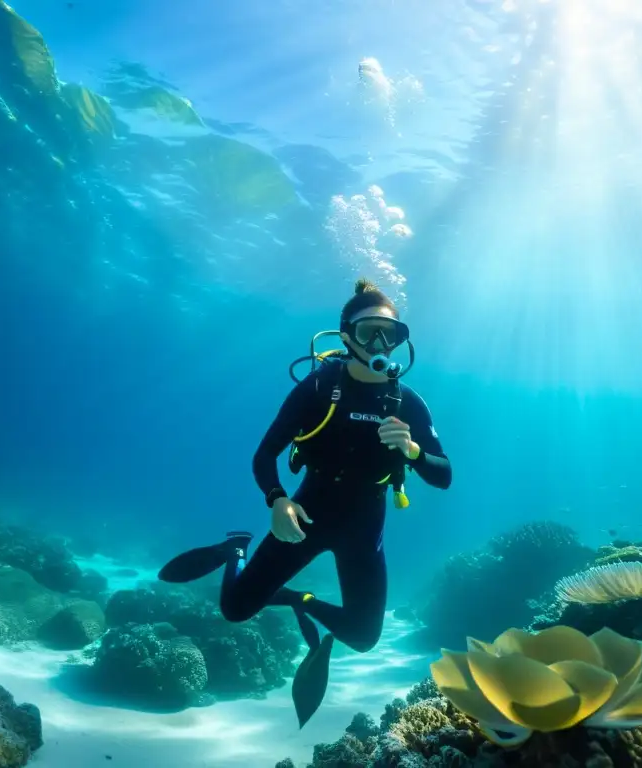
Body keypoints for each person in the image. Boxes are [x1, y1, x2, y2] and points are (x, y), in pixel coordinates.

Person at [158, 278, 452, 727]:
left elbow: (444, 475)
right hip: (307, 511)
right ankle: (233, 551)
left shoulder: (407, 402)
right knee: (235, 610)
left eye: (389, 335)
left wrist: (412, 451)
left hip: (365, 523)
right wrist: (277, 500)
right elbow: (264, 455)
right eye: (369, 331)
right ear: (346, 335)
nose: (380, 343)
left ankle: (299, 597)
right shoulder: (318, 387)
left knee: (364, 637)